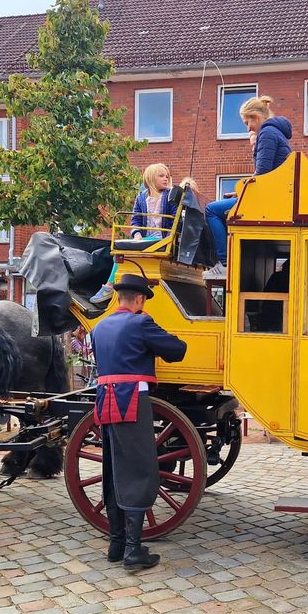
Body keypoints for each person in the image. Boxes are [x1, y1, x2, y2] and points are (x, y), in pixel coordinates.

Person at [92, 274, 187, 571]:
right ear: (140, 299)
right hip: (131, 400)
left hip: (104, 401)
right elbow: (177, 350)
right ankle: (133, 550)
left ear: (119, 297)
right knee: (138, 469)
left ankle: (117, 542)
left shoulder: (100, 326)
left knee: (113, 468)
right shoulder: (140, 322)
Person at [205, 96, 292, 268]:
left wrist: (243, 192)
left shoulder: (267, 133)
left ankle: (225, 262)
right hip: (276, 193)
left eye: (247, 122)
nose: (248, 128)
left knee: (211, 211)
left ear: (256, 117)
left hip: (267, 197)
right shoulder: (277, 132)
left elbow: (262, 173)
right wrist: (240, 192)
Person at [91, 164, 176, 305]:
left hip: (162, 238)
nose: (165, 179)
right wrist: (136, 234)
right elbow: (135, 219)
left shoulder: (170, 196)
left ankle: (109, 286)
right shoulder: (141, 197)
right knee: (122, 252)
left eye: (167, 176)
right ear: (150, 179)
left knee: (123, 252)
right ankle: (116, 286)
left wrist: (170, 237)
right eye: (161, 176)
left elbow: (175, 219)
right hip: (146, 238)